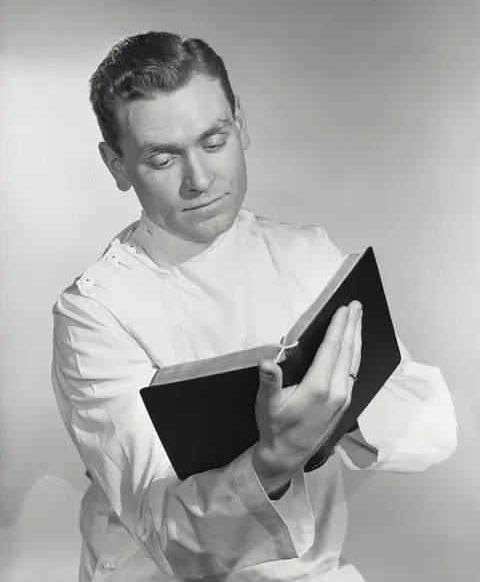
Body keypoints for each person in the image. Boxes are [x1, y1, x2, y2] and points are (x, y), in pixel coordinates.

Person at [52, 31, 457, 582]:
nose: (199, 180)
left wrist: (332, 416)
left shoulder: (308, 256)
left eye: (214, 141)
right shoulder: (94, 311)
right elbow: (164, 532)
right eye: (163, 158)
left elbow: (431, 429)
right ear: (117, 164)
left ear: (240, 124)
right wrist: (273, 459)